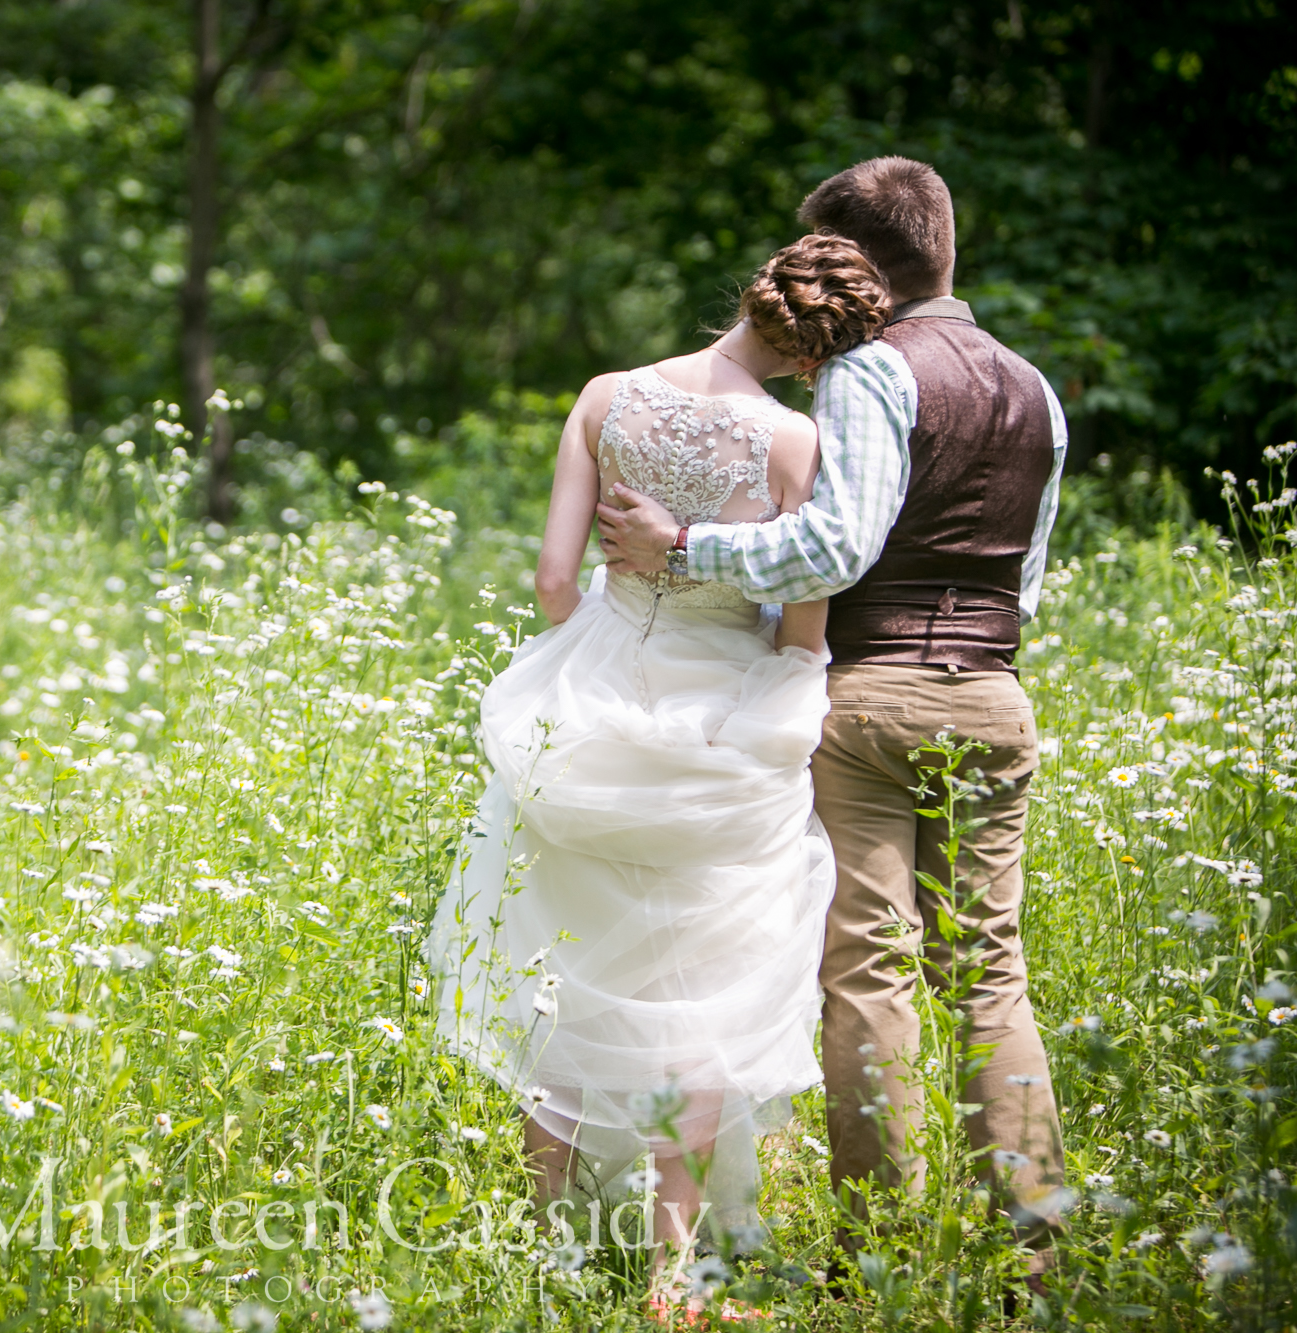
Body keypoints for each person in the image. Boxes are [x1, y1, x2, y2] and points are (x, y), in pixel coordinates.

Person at [594, 156, 1070, 1288]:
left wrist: (688, 549)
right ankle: (1036, 1246)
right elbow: (1029, 574)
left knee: (867, 969)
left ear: (863, 260)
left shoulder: (870, 369)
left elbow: (835, 547)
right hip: (992, 691)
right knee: (989, 969)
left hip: (871, 693)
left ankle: (880, 1256)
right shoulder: (1032, 387)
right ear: (946, 245)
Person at [426, 233, 891, 1309]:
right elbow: (800, 641)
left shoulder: (605, 396)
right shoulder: (792, 443)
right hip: (718, 733)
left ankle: (544, 1248)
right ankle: (672, 1270)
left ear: (749, 296)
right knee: (703, 994)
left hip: (592, 704)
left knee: (560, 970)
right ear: (820, 353)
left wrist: (605, 630)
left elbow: (552, 580)